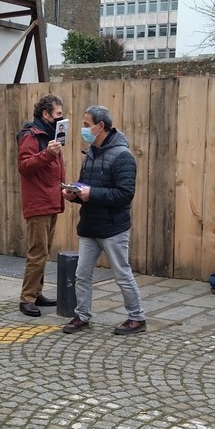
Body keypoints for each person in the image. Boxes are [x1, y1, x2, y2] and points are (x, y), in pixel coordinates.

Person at [61, 105, 147, 335]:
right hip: (89, 225)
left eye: (87, 125)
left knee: (122, 274)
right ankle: (82, 316)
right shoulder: (90, 153)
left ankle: (137, 318)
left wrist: (92, 194)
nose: (83, 129)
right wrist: (74, 195)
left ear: (101, 126)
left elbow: (125, 194)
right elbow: (85, 188)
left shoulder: (123, 156)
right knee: (82, 274)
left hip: (113, 228)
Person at [16, 94, 66, 316]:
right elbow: (24, 166)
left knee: (44, 251)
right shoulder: (32, 136)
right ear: (45, 114)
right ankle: (26, 298)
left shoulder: (49, 135)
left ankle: (36, 293)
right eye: (58, 114)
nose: (60, 119)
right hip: (38, 203)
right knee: (37, 252)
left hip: (50, 200)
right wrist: (47, 154)